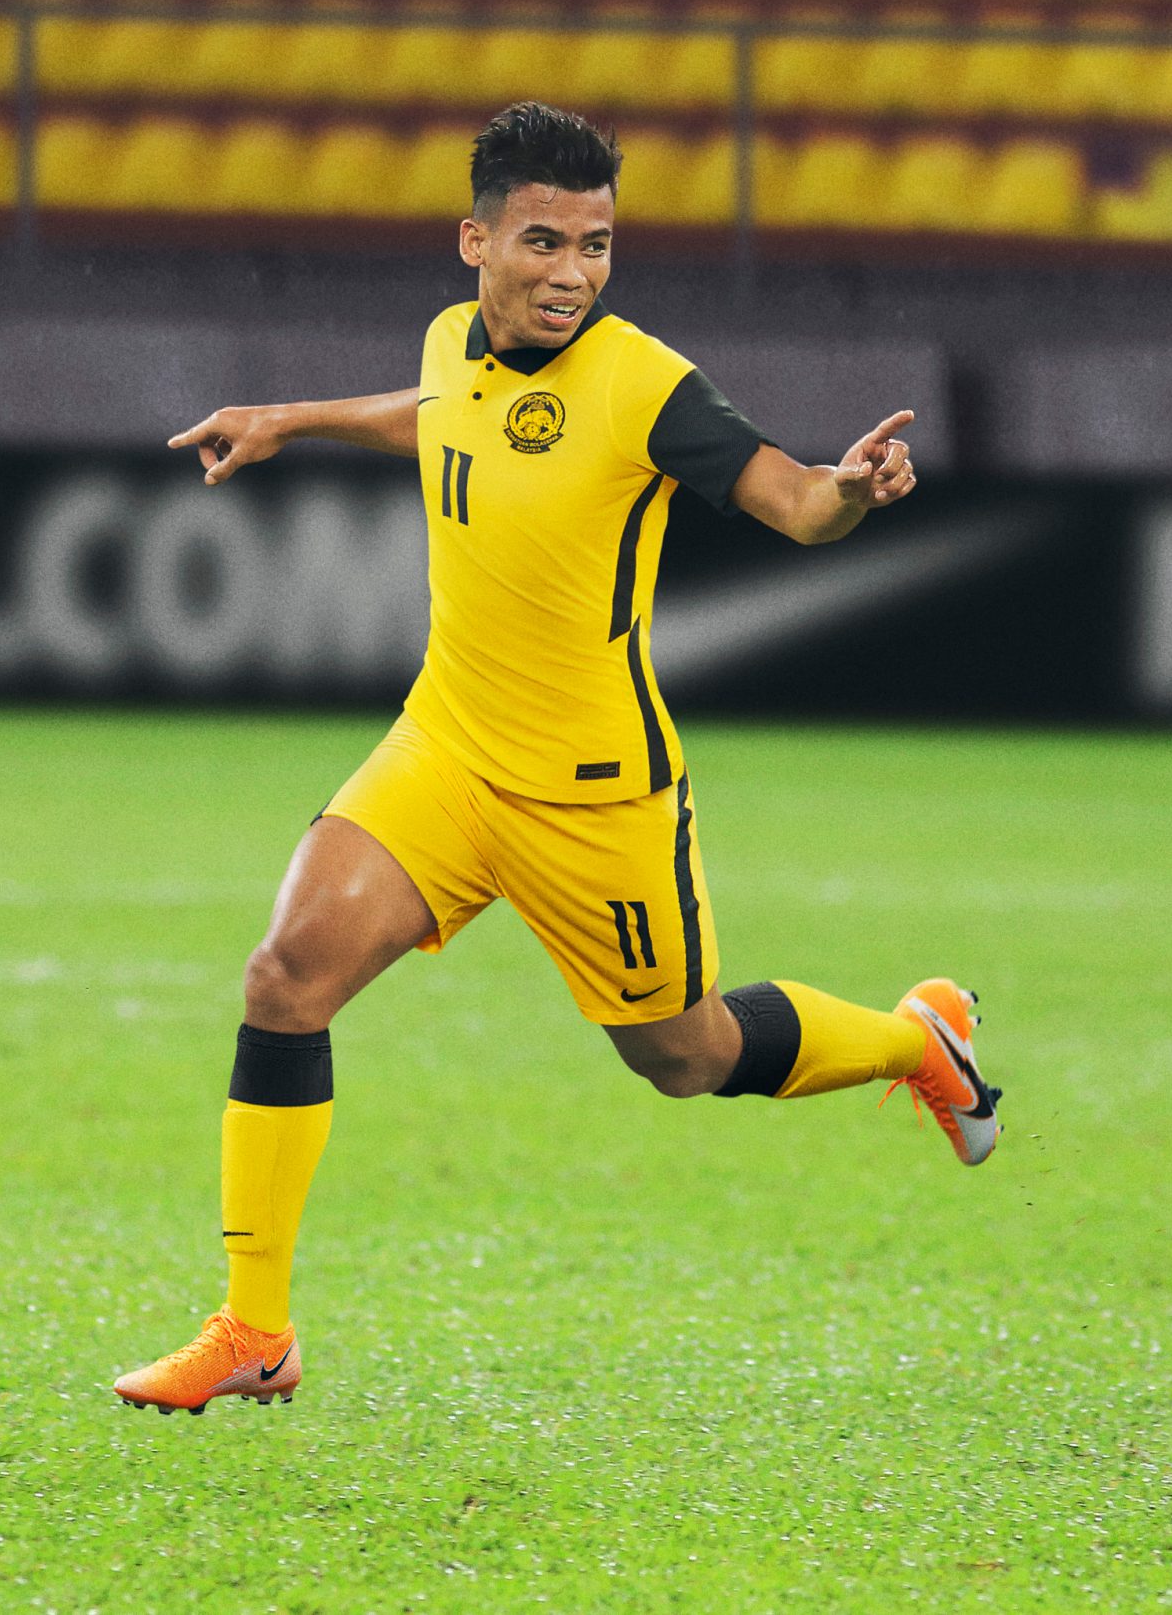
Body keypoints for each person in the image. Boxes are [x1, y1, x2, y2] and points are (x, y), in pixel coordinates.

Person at [114, 101, 1000, 1415]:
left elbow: (795, 503)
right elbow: (442, 415)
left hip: (594, 792)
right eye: (545, 241)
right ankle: (254, 1329)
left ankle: (915, 1041)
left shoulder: (644, 383)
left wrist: (853, 491)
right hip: (449, 746)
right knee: (286, 977)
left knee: (685, 1055)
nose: (573, 273)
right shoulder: (451, 346)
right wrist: (292, 417)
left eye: (596, 245)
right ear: (476, 242)